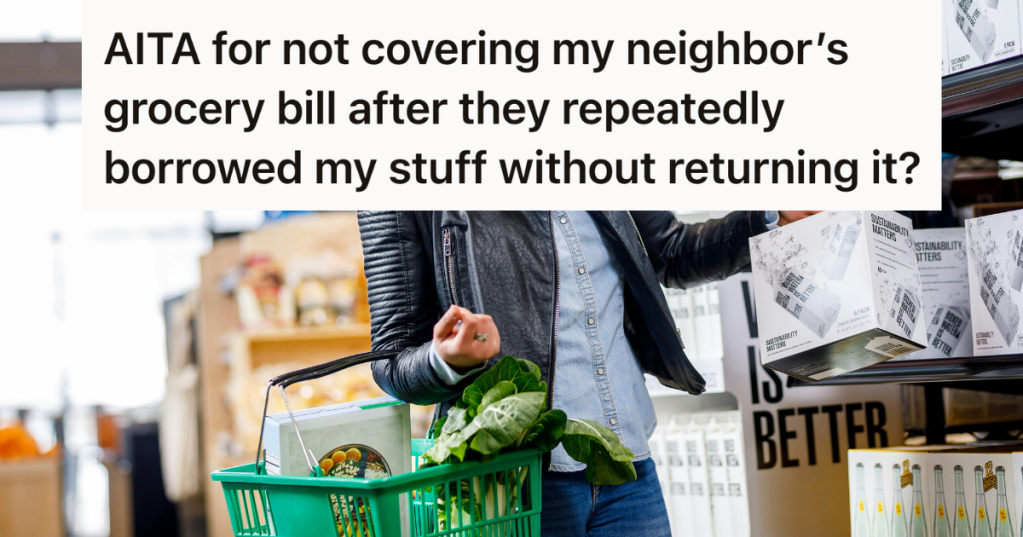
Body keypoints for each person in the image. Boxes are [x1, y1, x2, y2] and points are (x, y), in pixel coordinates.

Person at [357, 210, 817, 537]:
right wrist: (447, 359)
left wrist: (767, 219)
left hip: (627, 468)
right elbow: (392, 359)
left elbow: (670, 253)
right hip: (516, 485)